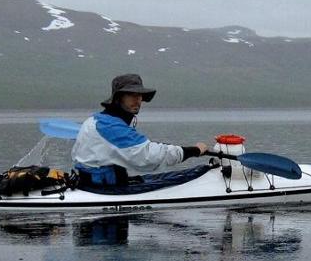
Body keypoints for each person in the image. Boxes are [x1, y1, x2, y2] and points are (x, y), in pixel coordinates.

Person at [72, 74, 210, 188]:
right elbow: (149, 157)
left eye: (139, 95)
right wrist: (194, 150)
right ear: (118, 98)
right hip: (104, 190)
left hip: (92, 185)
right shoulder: (111, 126)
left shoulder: (96, 119)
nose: (137, 100)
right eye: (131, 95)